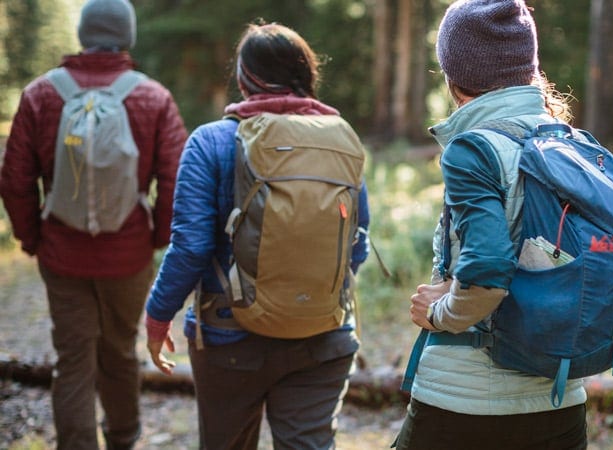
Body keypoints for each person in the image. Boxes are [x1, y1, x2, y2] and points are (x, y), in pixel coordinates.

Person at [394, 1, 613, 449]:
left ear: (453, 75)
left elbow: (486, 274)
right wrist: (558, 306)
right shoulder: (581, 148)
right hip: (560, 403)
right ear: (529, 67)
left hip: (463, 403)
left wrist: (437, 312)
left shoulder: (473, 151)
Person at [143, 22, 370, 450]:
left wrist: (158, 318)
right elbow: (356, 243)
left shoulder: (210, 142)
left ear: (245, 79)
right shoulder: (339, 142)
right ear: (307, 76)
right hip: (323, 337)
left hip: (230, 337)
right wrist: (306, 292)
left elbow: (190, 247)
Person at [0, 0, 187, 448]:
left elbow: (14, 179)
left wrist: (32, 238)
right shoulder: (152, 96)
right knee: (121, 352)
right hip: (129, 255)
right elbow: (175, 180)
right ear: (128, 35)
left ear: (84, 34)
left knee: (73, 359)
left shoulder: (40, 94)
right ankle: (123, 439)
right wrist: (156, 237)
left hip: (62, 254)